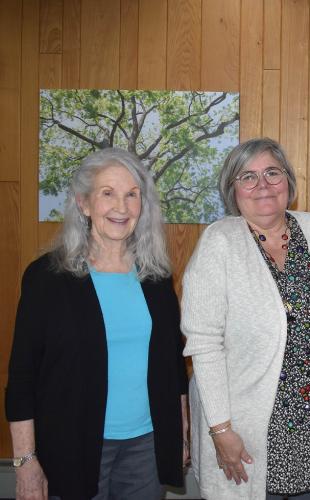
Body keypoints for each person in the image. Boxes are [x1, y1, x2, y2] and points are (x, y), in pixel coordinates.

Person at [182, 138, 310, 500]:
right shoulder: (219, 243)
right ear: (232, 190)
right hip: (247, 431)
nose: (262, 185)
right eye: (247, 177)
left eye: (271, 173)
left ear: (288, 182)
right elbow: (204, 342)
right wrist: (220, 430)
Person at [5, 148, 189, 500]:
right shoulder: (47, 277)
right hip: (72, 445)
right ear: (84, 204)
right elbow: (23, 377)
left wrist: (178, 433)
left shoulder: (157, 276)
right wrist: (25, 461)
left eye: (131, 195)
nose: (121, 207)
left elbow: (173, 364)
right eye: (108, 193)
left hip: (145, 448)